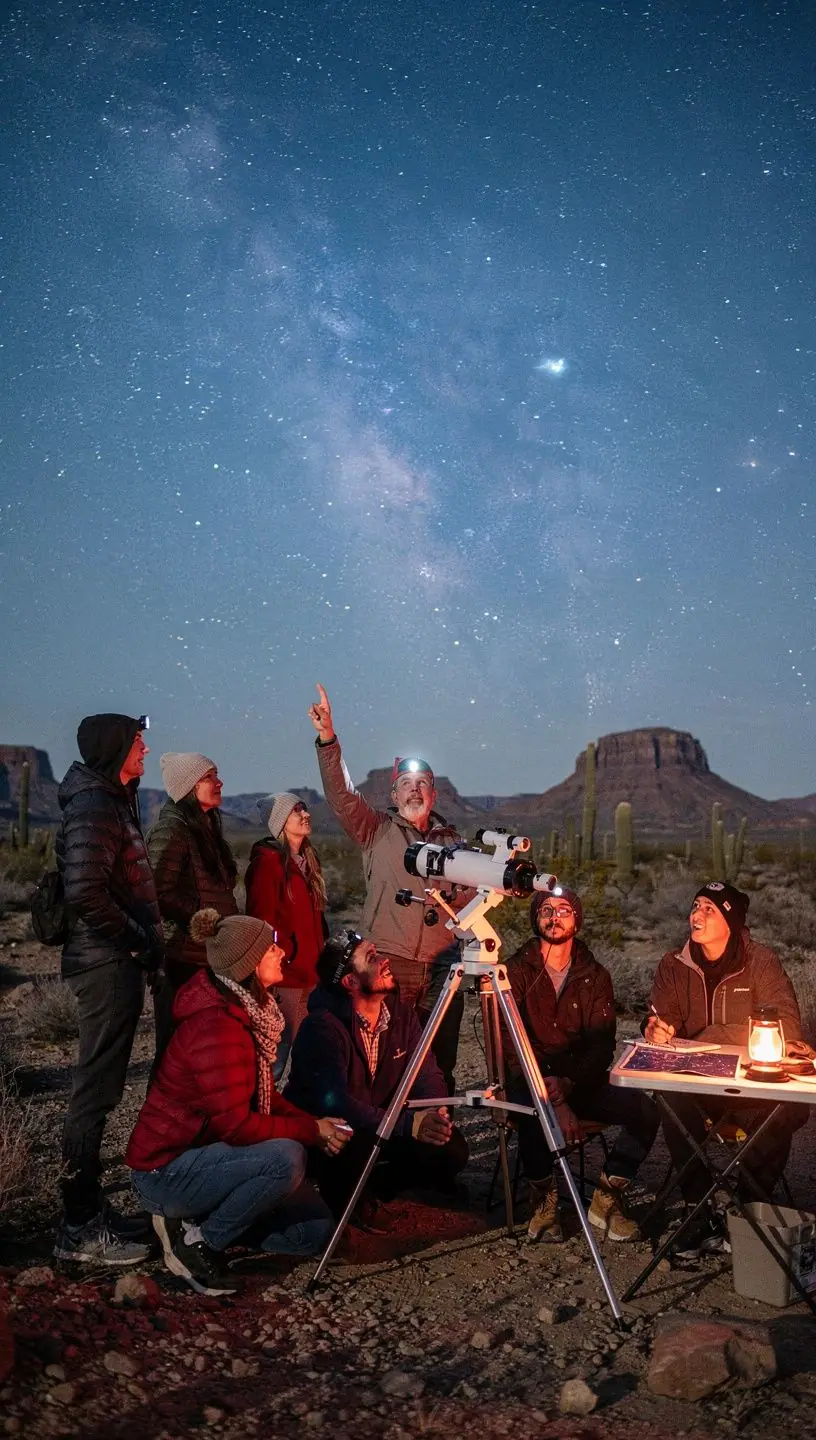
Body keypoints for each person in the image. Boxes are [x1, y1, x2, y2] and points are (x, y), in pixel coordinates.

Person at [125, 909, 351, 1296]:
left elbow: (262, 1097)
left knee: (310, 1234)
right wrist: (312, 1131)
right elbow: (238, 1126)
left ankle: (199, 1216)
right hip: (166, 1171)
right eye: (270, 948)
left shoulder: (251, 1010)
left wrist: (315, 1122)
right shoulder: (218, 1026)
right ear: (247, 964)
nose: (280, 952)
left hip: (208, 1157)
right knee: (286, 1158)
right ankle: (198, 1244)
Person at [308, 684, 470, 1092]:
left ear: (433, 794)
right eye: (407, 784)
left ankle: (432, 1139)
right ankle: (382, 1142)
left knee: (438, 1065)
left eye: (423, 783)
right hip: (390, 967)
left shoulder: (454, 844)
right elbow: (342, 797)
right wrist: (328, 740)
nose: (415, 790)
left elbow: (472, 898)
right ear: (394, 795)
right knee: (381, 1064)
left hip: (441, 972)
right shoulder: (376, 830)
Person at [646, 881, 811, 1257]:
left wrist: (710, 1035)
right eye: (695, 905)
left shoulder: (761, 961)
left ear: (731, 922)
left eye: (709, 909)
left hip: (749, 1087)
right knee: (669, 1098)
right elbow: (661, 1017)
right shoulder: (674, 964)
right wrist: (654, 1028)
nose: (697, 914)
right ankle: (698, 1206)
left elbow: (787, 1026)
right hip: (699, 1085)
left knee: (786, 1108)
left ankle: (745, 1208)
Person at [54, 713, 164, 1265]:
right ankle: (78, 1227)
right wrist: (139, 939)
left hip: (112, 961)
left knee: (103, 1090)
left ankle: (90, 1209)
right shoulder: (97, 806)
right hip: (106, 964)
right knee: (94, 1093)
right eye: (138, 741)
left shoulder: (112, 799)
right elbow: (85, 891)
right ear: (115, 747)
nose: (145, 748)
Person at [503, 887, 659, 1243]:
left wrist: (569, 1086)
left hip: (579, 1079)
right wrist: (554, 1099)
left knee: (645, 1110)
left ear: (577, 919)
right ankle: (544, 1202)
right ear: (535, 919)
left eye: (563, 910)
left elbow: (602, 1047)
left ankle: (606, 1200)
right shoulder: (513, 971)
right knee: (532, 1111)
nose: (554, 917)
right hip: (530, 1079)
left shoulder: (595, 976)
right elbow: (513, 1047)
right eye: (546, 909)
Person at [285, 931, 468, 1220]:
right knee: (347, 1142)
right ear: (350, 982)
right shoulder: (322, 1028)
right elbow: (336, 1103)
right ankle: (342, 1202)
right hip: (334, 1131)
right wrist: (408, 1125)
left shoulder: (400, 1015)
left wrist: (434, 1108)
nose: (385, 961)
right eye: (371, 957)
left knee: (451, 1149)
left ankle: (378, 1186)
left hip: (380, 1121)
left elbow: (426, 1070)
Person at [147, 752, 238, 1057]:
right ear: (188, 786)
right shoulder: (171, 831)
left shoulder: (207, 829)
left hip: (210, 958)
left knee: (208, 1054)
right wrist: (205, 918)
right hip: (181, 959)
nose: (219, 782)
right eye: (210, 776)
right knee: (176, 1054)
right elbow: (157, 892)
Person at [245, 792, 327, 1079]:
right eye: (296, 811)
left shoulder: (307, 861)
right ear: (280, 821)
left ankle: (300, 1121)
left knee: (310, 1060)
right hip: (286, 979)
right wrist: (280, 962)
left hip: (311, 976)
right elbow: (261, 921)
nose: (305, 814)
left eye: (304, 809)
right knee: (274, 1062)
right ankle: (258, 1116)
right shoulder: (268, 863)